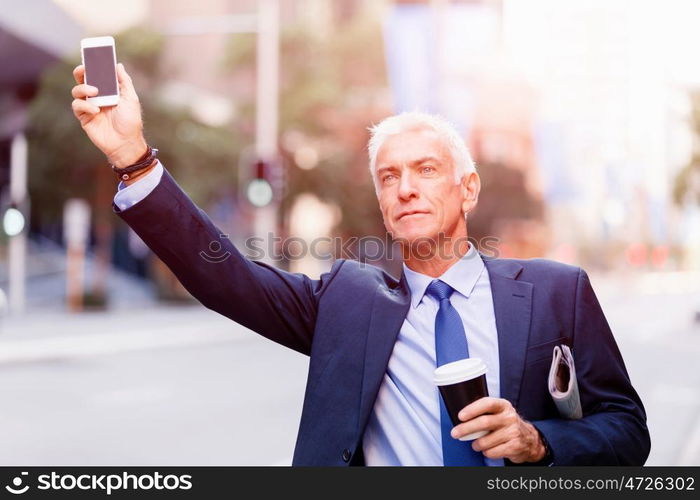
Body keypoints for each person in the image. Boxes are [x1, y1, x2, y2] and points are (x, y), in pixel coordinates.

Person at [70, 63, 650, 466]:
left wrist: (538, 442)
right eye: (389, 177)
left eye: (425, 170)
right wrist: (132, 158)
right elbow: (225, 277)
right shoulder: (349, 301)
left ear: (467, 189)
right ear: (381, 201)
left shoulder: (557, 292)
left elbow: (626, 430)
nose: (405, 189)